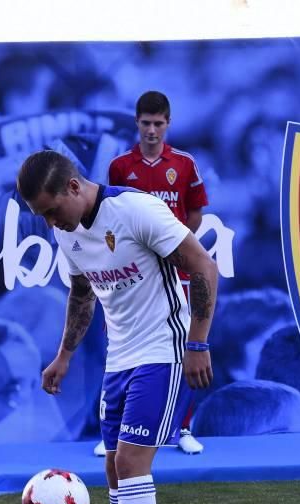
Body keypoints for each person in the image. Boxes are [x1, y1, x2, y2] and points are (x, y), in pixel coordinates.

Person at [16, 150, 217, 504]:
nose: (50, 222)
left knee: (130, 462)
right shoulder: (67, 233)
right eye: (40, 215)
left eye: (51, 210)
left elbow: (203, 267)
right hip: (119, 358)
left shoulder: (135, 210)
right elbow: (83, 294)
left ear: (72, 186)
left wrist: (199, 342)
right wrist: (64, 355)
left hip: (163, 351)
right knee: (112, 468)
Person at [106, 90, 209, 456]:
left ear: (168, 124)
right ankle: (116, 430)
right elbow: (112, 218)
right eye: (146, 123)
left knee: (183, 347)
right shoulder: (120, 167)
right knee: (125, 345)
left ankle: (184, 427)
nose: (152, 130)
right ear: (137, 123)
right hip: (134, 275)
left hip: (175, 274)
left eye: (158, 124)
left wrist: (178, 247)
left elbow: (195, 212)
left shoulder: (183, 164)